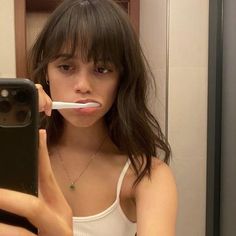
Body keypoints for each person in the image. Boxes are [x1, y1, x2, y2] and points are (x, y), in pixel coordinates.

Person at [0, 0, 177, 235]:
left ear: (122, 80)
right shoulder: (14, 160)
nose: (83, 86)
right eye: (66, 67)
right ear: (47, 73)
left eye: (102, 69)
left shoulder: (147, 175)